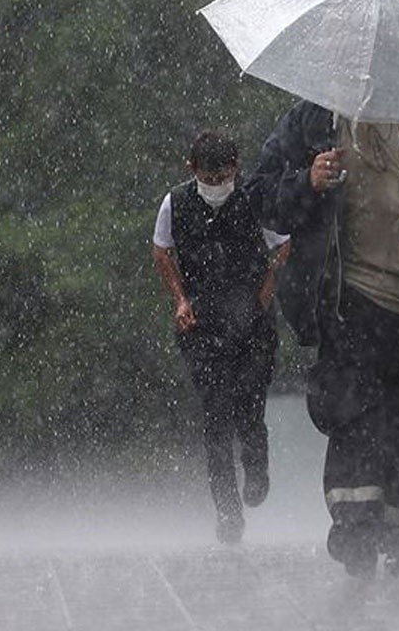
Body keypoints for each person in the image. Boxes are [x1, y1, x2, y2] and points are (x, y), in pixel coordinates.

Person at [247, 101, 399, 579]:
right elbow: (261, 197)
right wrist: (307, 182)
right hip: (348, 298)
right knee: (353, 415)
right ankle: (355, 532)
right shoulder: (314, 120)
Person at [152, 129, 290, 544]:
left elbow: (283, 245)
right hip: (202, 325)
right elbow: (161, 250)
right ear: (192, 170)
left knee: (249, 406)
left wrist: (267, 288)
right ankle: (228, 511)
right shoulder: (175, 202)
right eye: (208, 179)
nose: (216, 186)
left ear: (235, 169)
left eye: (223, 177)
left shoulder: (252, 200)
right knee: (215, 418)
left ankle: (256, 464)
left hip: (251, 322)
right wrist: (180, 299)